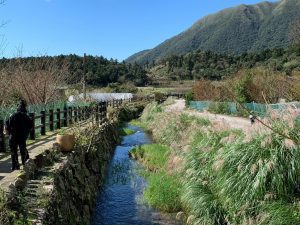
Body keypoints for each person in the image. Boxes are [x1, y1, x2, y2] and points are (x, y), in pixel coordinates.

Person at [5, 100, 33, 171]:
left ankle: (15, 166)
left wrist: (9, 132)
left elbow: (7, 126)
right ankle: (24, 164)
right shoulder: (26, 116)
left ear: (17, 108)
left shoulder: (12, 116)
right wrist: (26, 132)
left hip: (13, 136)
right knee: (23, 151)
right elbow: (31, 126)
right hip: (22, 137)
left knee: (13, 152)